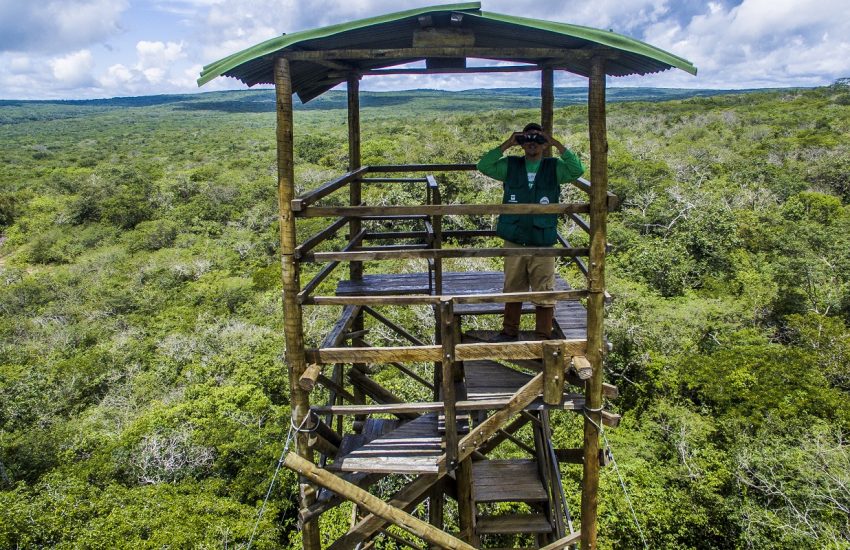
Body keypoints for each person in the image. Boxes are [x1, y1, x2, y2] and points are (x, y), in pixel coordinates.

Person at [477, 123, 585, 341]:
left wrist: (555, 143)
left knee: (544, 288)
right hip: (515, 237)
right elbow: (484, 165)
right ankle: (509, 332)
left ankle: (543, 336)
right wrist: (508, 143)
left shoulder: (554, 167)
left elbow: (577, 170)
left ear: (544, 144)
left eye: (538, 139)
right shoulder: (511, 165)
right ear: (521, 143)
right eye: (527, 139)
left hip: (542, 240)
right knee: (513, 286)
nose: (532, 143)